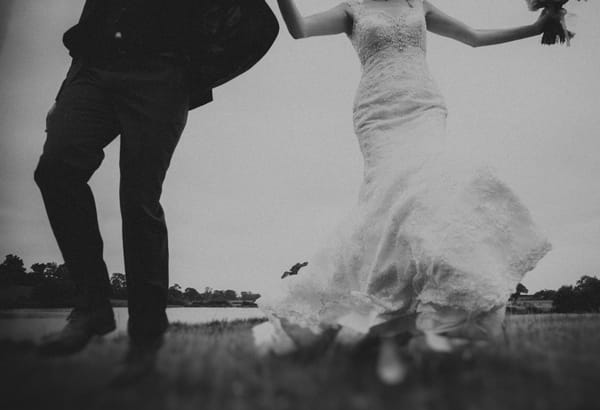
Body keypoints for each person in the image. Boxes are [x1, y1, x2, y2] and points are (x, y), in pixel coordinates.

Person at [254, 0, 556, 354]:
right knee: (387, 202)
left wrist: (536, 29)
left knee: (432, 192)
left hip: (424, 105)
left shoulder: (419, 4)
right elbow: (299, 29)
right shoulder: (353, 9)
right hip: (377, 112)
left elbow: (473, 37)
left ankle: (435, 311)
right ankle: (367, 313)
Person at [34, 0, 279, 357]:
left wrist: (192, 75)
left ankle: (146, 338)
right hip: (94, 66)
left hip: (162, 74)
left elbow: (261, 27)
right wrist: (63, 93)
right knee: (55, 170)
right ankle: (92, 307)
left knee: (138, 199)